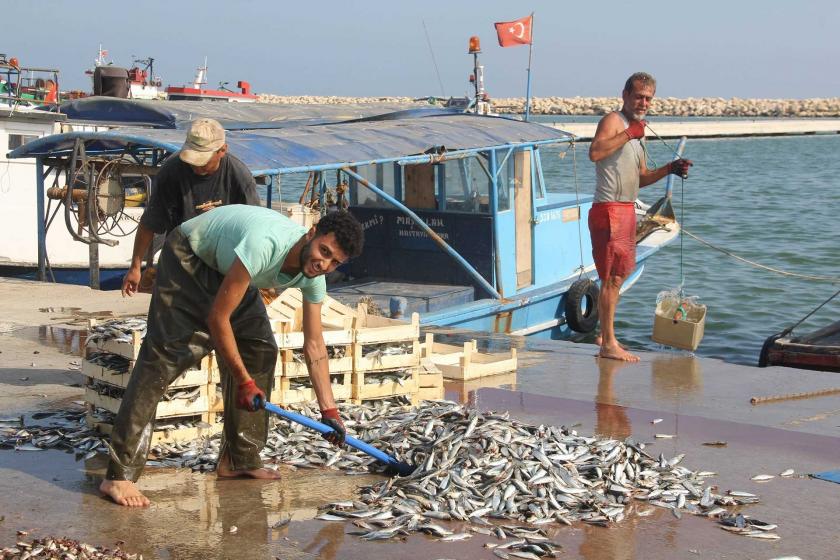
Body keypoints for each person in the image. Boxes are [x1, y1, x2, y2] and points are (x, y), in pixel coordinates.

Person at [100, 205, 365, 507]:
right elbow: (218, 319)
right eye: (324, 251)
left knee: (259, 347)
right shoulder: (265, 244)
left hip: (230, 268)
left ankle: (239, 459)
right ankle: (118, 475)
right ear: (312, 233)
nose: (324, 264)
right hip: (190, 257)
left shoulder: (314, 278)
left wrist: (329, 411)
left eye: (334, 263)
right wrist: (243, 381)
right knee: (162, 359)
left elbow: (315, 345)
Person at [588, 72, 693, 362]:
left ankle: (605, 335)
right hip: (608, 209)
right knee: (611, 278)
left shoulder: (638, 131)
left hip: (626, 209)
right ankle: (608, 344)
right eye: (638, 96)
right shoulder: (614, 121)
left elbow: (641, 178)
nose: (643, 102)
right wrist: (627, 134)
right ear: (624, 95)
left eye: (648, 98)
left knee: (618, 278)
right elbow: (595, 153)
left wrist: (670, 168)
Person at [122, 117, 260, 296]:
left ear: (222, 150)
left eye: (202, 161)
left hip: (226, 261)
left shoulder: (239, 175)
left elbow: (256, 228)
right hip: (181, 256)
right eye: (192, 160)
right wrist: (135, 267)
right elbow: (150, 223)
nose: (196, 167)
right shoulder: (171, 171)